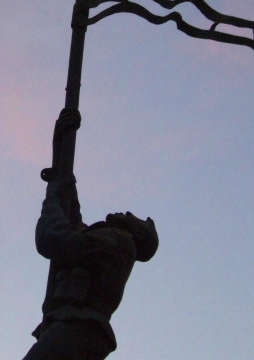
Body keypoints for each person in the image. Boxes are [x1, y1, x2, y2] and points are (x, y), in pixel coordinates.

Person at [23, 109, 158, 360]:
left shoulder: (119, 243)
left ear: (138, 233)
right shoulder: (104, 241)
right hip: (69, 326)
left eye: (135, 218)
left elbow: (53, 238)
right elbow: (72, 217)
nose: (127, 212)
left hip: (76, 329)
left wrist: (52, 196)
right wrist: (62, 146)